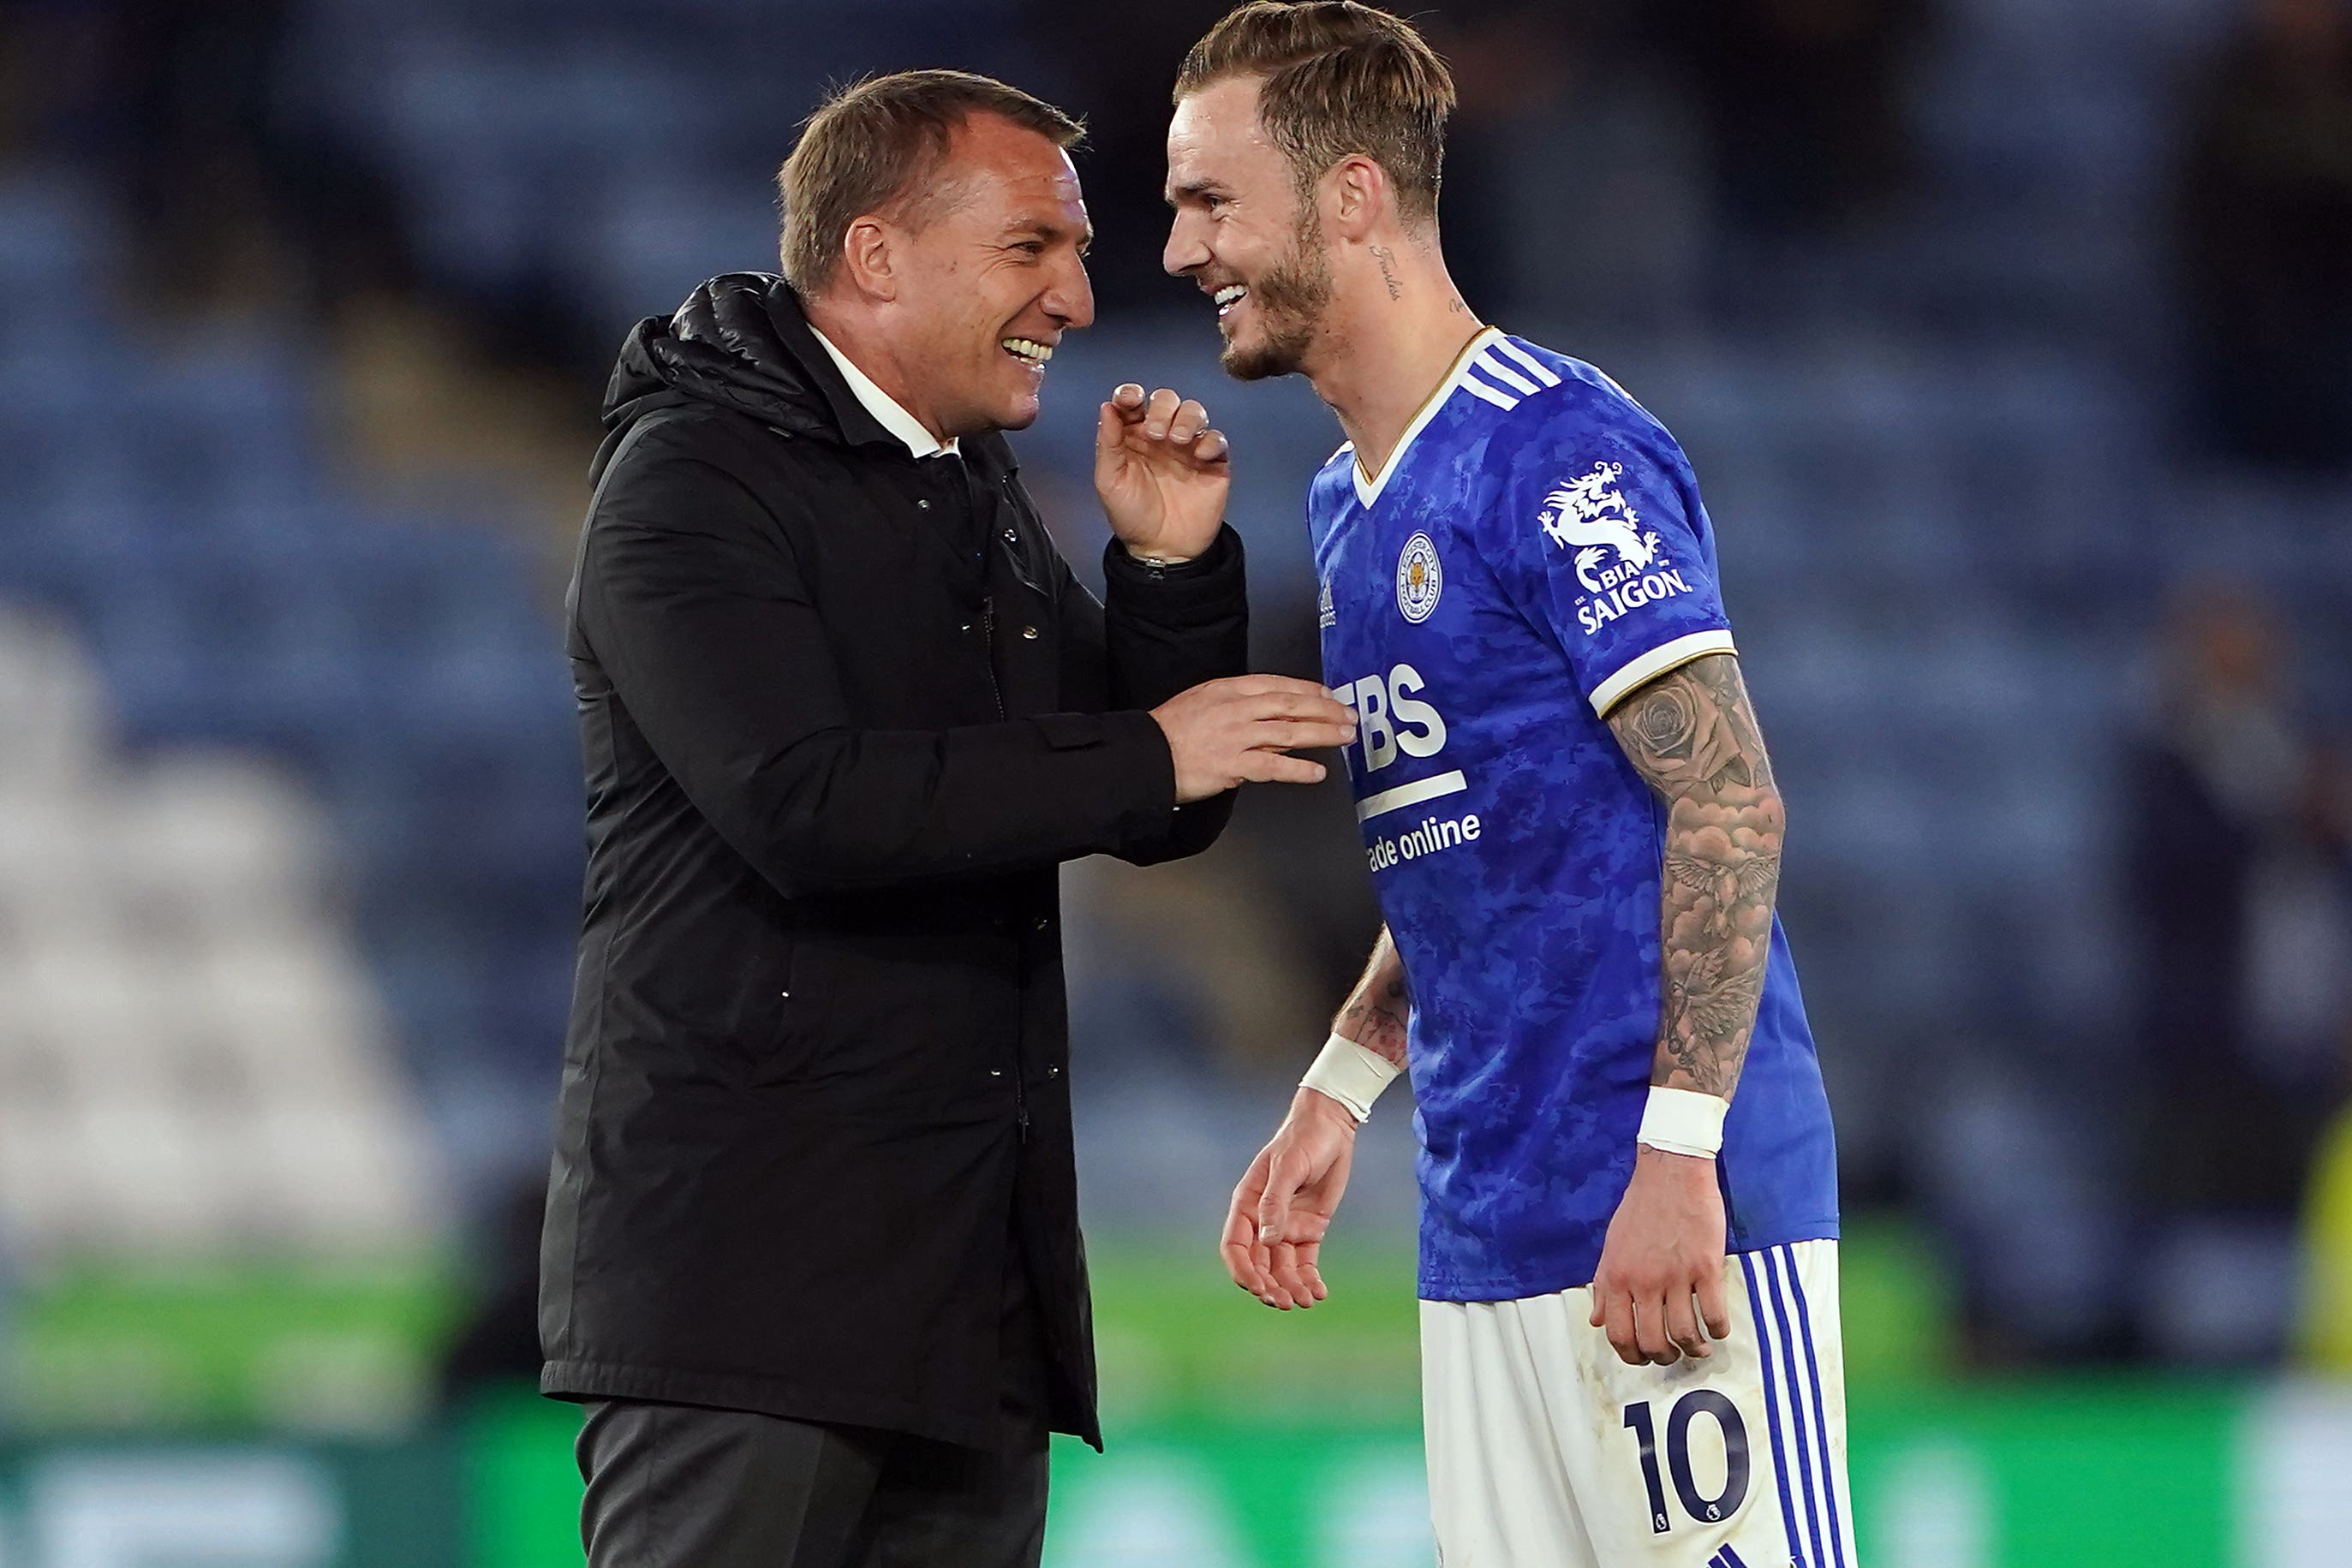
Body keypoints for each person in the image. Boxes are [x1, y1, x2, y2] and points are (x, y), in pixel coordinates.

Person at [538, 69, 1357, 1568]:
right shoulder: (689, 484)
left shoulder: (957, 479)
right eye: (1032, 248)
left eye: (1079, 251)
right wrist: (1148, 752)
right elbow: (802, 803)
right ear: (875, 257)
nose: (1081, 297)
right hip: (746, 1297)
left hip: (963, 1298)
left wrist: (1166, 576)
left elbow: (1149, 802)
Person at [1169, 7, 1847, 1565]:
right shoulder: (1347, 502)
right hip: (1485, 1231)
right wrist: (1340, 1089)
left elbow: (1730, 801)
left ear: (1347, 197)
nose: (1178, 248)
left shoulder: (1557, 449)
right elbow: (1482, 844)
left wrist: (1680, 1162)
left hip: (1667, 1216)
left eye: (1210, 201)